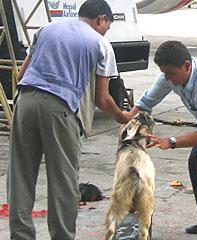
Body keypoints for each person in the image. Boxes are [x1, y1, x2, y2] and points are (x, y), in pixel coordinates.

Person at [7, 0, 131, 239]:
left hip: (25, 102)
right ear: (101, 19)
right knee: (63, 182)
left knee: (20, 176)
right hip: (60, 108)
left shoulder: (47, 29)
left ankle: (20, 235)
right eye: (108, 26)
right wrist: (121, 116)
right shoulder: (100, 44)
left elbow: (22, 73)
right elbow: (102, 99)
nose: (106, 31)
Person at [124, 40, 197, 240]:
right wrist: (126, 123)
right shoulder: (170, 76)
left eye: (171, 74)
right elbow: (145, 103)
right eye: (165, 74)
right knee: (194, 161)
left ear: (187, 66)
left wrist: (170, 141)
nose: (168, 80)